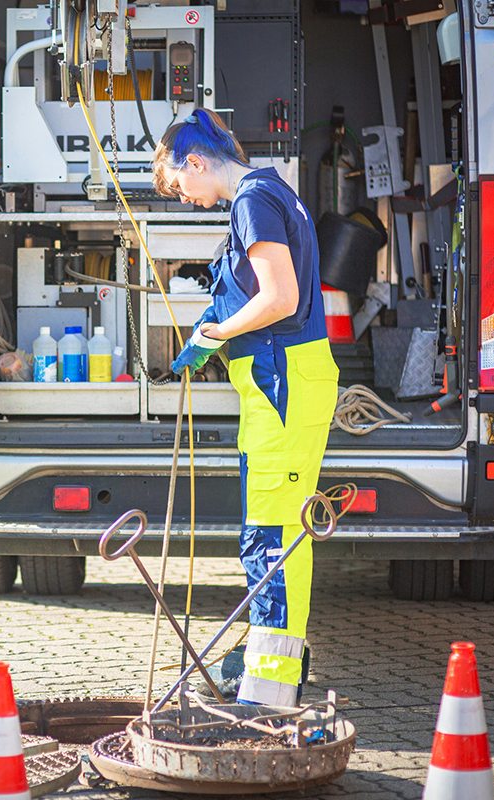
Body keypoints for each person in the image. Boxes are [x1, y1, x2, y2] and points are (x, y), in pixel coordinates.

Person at [153, 109, 339, 707]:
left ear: (195, 161)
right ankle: (278, 666)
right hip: (285, 381)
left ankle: (270, 691)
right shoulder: (269, 190)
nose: (186, 199)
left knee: (270, 538)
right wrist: (218, 321)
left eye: (180, 186)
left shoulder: (252, 201)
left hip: (282, 384)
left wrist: (215, 334)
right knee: (285, 530)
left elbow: (280, 298)